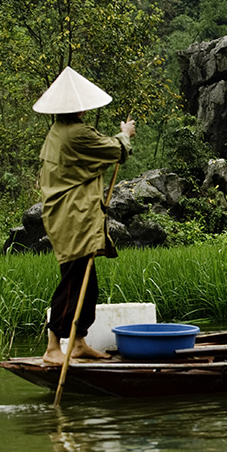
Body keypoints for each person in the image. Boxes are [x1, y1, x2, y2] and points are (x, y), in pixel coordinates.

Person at [33, 67, 135, 364]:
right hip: (73, 216)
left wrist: (120, 138)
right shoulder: (77, 134)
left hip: (68, 215)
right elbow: (115, 150)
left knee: (87, 283)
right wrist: (125, 134)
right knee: (75, 281)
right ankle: (54, 347)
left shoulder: (58, 131)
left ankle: (78, 342)